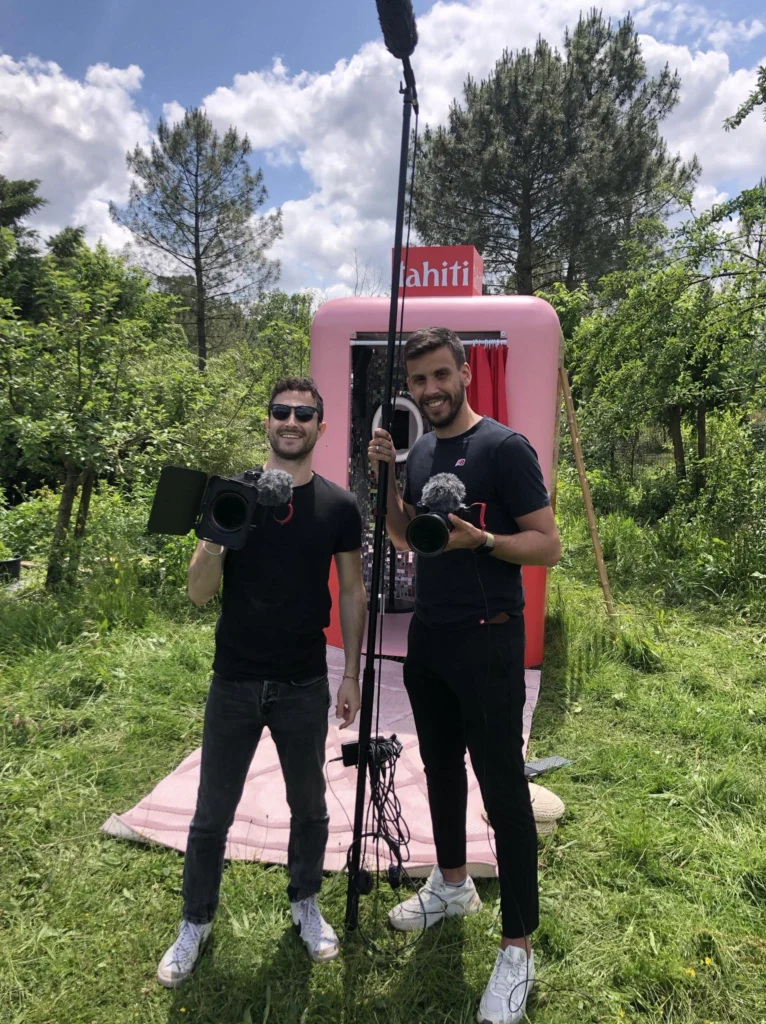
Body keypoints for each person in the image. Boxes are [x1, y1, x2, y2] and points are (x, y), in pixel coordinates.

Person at [368, 328, 561, 1024]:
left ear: (465, 372)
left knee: (502, 788)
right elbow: (401, 538)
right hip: (431, 638)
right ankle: (452, 885)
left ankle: (517, 949)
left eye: (440, 376)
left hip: (489, 639)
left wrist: (483, 539)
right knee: (440, 768)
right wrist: (390, 478)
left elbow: (548, 544)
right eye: (418, 381)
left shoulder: (504, 449)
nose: (430, 390)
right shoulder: (419, 449)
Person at [158, 376, 367, 988]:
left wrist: (351, 671)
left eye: (305, 413)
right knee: (210, 813)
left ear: (321, 428)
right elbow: (199, 594)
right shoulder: (233, 493)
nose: (292, 421)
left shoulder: (338, 506)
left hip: (304, 681)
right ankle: (195, 920)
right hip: (235, 681)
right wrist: (221, 537)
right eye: (282, 412)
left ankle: (305, 901)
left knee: (310, 807)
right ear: (268, 421)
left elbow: (352, 591)